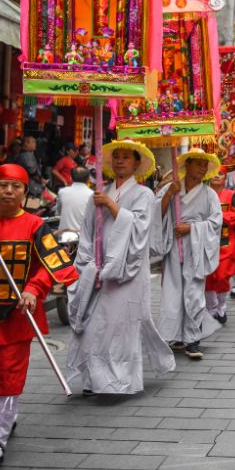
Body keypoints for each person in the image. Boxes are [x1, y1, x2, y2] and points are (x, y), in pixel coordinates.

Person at [0, 164, 78, 468]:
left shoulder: (34, 225)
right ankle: (7, 415)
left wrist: (34, 288)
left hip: (18, 314)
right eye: (3, 185)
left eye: (16, 187)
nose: (9, 191)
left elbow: (54, 263)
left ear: (25, 193)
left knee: (7, 375)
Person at [66, 139, 175, 395]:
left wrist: (113, 206)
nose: (120, 161)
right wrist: (87, 262)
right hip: (99, 265)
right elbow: (89, 231)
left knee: (121, 325)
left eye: (126, 157)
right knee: (95, 324)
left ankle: (122, 379)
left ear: (137, 164)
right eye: (117, 157)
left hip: (129, 269)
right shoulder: (100, 193)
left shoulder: (144, 194)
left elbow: (139, 229)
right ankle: (94, 379)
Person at [152, 150, 223, 360]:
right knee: (172, 293)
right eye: (198, 164)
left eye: (205, 165)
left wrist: (192, 228)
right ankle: (173, 335)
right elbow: (156, 214)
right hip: (174, 247)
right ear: (187, 165)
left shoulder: (210, 195)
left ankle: (193, 339)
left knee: (193, 294)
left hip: (196, 249)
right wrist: (167, 195)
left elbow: (215, 222)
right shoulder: (172, 188)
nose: (202, 168)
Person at [205, 169, 235, 324]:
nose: (216, 175)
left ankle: (222, 305)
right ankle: (211, 308)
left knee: (221, 276)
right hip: (205, 241)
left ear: (226, 178)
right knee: (207, 277)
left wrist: (219, 217)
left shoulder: (232, 195)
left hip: (225, 243)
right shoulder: (203, 194)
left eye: (220, 173)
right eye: (214, 172)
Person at [56, 166, 94, 233]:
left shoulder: (62, 192)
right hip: (83, 235)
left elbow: (58, 213)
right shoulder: (92, 195)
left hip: (63, 235)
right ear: (88, 179)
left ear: (71, 178)